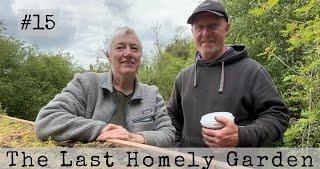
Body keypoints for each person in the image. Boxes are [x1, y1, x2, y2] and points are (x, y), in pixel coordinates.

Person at [167, 0, 289, 147]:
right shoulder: (183, 77)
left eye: (213, 26)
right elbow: (173, 118)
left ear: (227, 28)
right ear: (192, 32)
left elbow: (278, 115)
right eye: (199, 27)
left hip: (239, 168)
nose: (205, 33)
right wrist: (179, 149)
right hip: (190, 167)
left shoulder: (251, 71)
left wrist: (241, 135)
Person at [35, 27, 175, 147]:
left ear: (140, 56)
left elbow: (168, 134)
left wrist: (136, 138)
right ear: (108, 56)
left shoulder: (152, 94)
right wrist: (101, 129)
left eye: (134, 48)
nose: (128, 53)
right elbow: (46, 120)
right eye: (120, 47)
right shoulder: (86, 84)